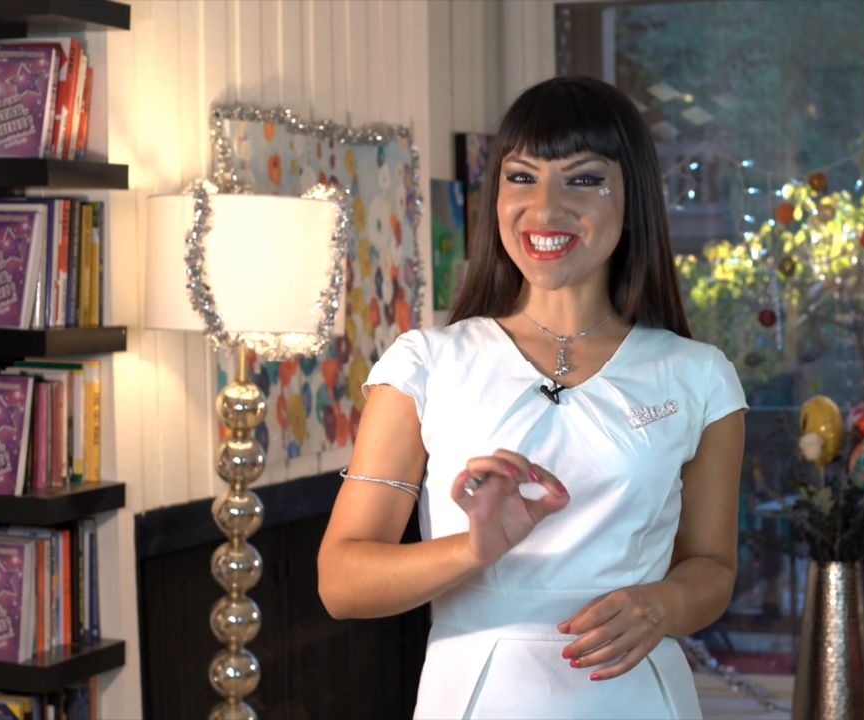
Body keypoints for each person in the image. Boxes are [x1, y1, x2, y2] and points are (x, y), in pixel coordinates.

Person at [317, 76, 747, 719]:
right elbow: (341, 583)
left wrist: (663, 605)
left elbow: (712, 567)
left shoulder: (699, 376)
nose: (545, 209)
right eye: (522, 177)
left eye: (584, 179)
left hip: (636, 696)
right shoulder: (424, 365)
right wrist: (474, 550)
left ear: (633, 198)